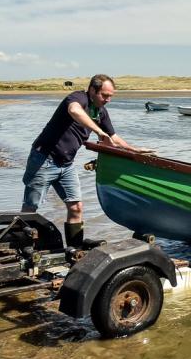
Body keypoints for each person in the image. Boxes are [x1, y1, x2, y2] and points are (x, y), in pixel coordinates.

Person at [22, 73, 140, 246]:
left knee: (76, 208)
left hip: (67, 165)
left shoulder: (101, 112)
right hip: (44, 160)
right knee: (30, 209)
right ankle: (21, 247)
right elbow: (74, 111)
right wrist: (99, 132)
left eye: (110, 96)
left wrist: (134, 150)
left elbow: (113, 137)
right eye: (104, 95)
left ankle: (74, 250)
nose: (108, 100)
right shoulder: (78, 98)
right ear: (92, 89)